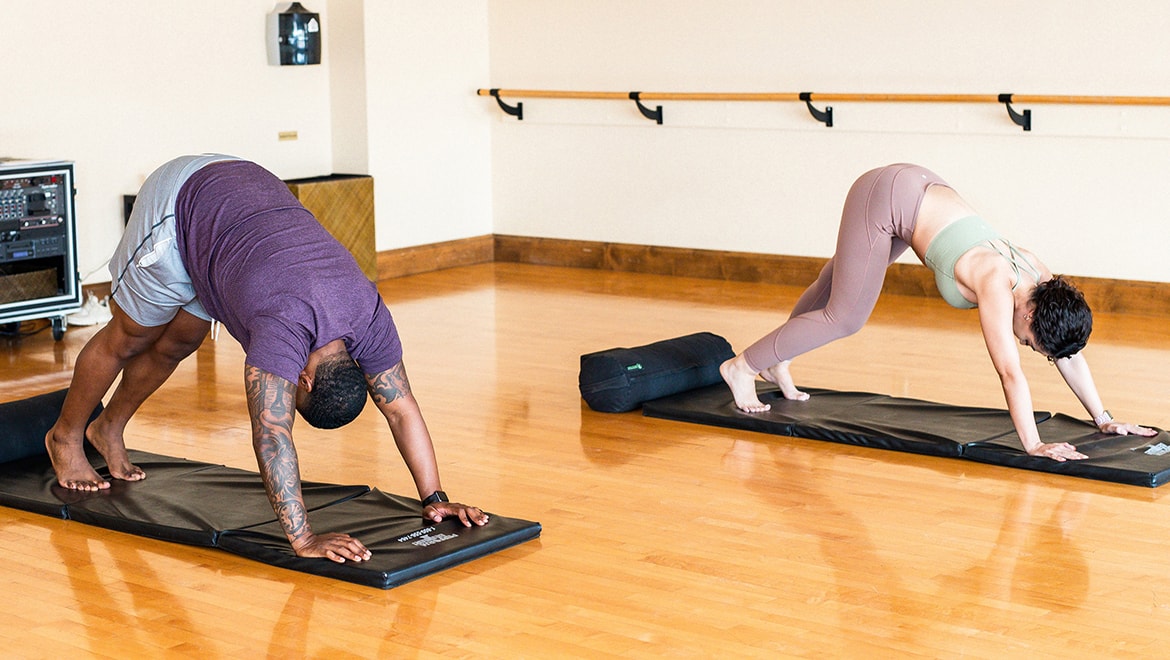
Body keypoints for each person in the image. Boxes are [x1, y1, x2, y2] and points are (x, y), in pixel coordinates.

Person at [45, 154, 488, 563]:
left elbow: (400, 408)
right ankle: (65, 437)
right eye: (295, 393)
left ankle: (108, 429)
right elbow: (272, 435)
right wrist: (304, 539)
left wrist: (435, 498)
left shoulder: (367, 320)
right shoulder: (282, 335)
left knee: (181, 340)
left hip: (237, 222)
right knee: (129, 336)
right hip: (184, 200)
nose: (287, 391)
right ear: (306, 381)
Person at [720, 163, 1154, 461]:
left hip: (914, 190)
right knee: (846, 315)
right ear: (1026, 319)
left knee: (834, 286)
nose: (1029, 349)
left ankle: (777, 362)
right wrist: (1034, 444)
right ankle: (743, 367)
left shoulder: (1039, 278)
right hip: (886, 196)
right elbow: (1009, 372)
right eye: (1031, 344)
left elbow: (1066, 352)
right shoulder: (996, 280)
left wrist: (1105, 419)